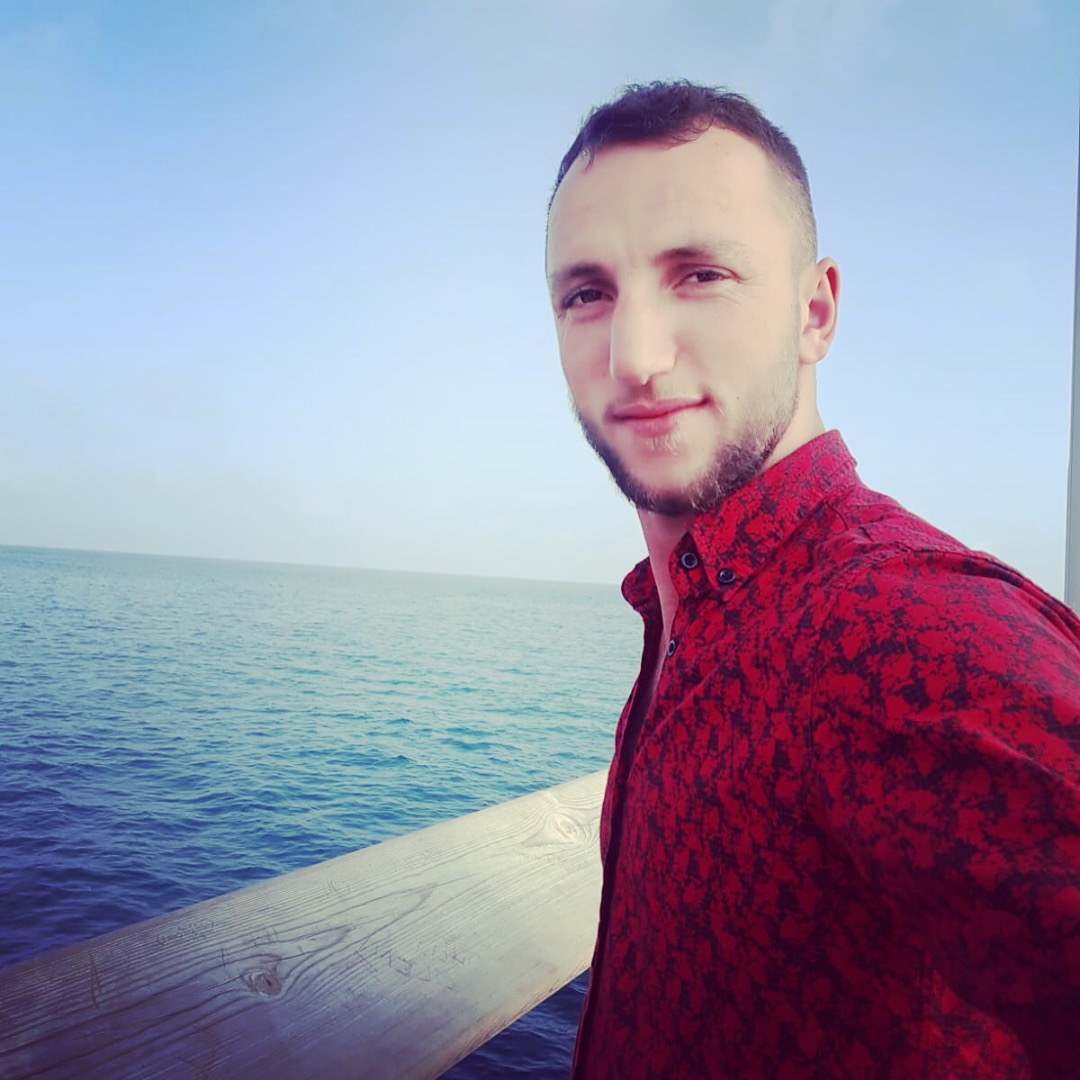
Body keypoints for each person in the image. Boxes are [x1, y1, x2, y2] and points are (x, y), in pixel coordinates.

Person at [545, 80, 1080, 1079]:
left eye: (701, 274)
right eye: (587, 293)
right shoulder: (688, 615)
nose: (635, 357)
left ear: (815, 311)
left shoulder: (911, 628)